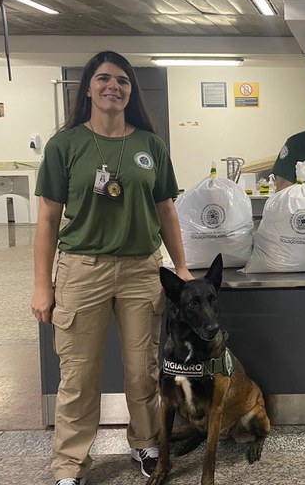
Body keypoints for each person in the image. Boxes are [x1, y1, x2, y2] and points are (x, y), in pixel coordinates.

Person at [31, 51, 193, 485]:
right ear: (87, 88)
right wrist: (42, 286)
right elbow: (47, 219)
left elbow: (167, 211)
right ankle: (70, 464)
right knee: (79, 374)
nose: (113, 87)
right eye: (103, 79)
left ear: (131, 92)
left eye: (122, 81)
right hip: (82, 269)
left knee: (142, 369)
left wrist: (181, 266)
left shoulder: (150, 145)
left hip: (142, 269)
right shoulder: (64, 145)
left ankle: (145, 442)